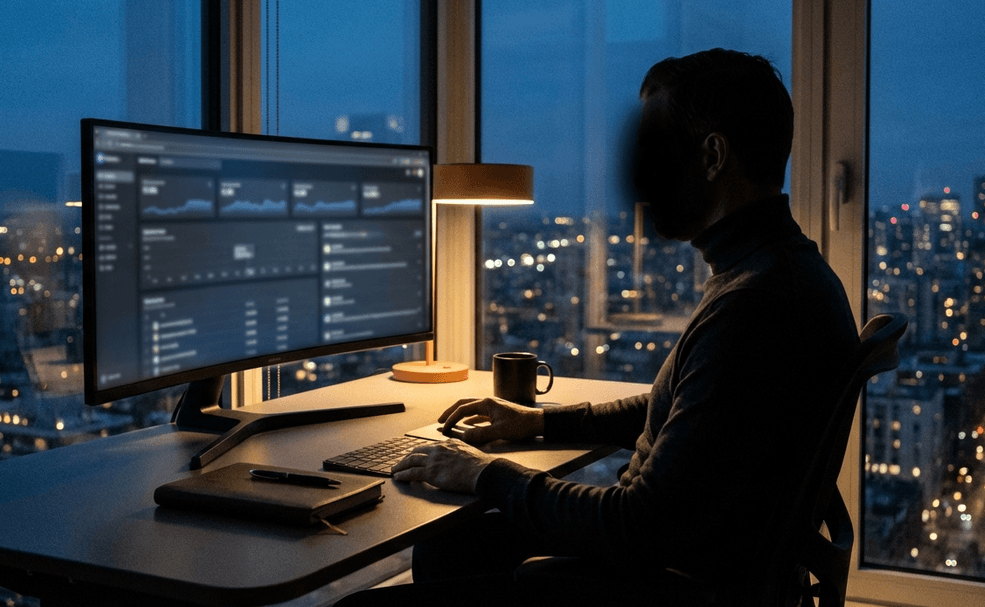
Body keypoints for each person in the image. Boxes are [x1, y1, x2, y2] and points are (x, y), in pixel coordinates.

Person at [339, 48, 859, 606]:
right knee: (448, 547)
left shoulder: (755, 306)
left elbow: (634, 526)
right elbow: (687, 412)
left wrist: (486, 475)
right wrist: (538, 422)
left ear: (712, 156)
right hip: (700, 561)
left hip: (661, 577)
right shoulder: (780, 272)